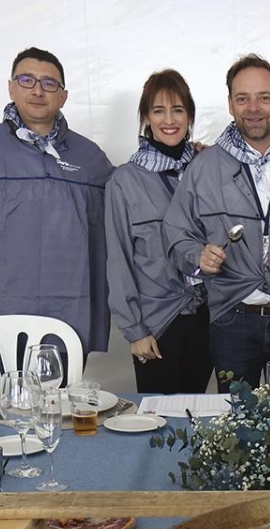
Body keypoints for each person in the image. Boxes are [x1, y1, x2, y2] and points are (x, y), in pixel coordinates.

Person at [0, 47, 113, 360]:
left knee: (60, 405)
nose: (38, 90)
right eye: (27, 80)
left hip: (68, 315)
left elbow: (130, 201)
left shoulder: (90, 159)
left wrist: (187, 160)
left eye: (49, 83)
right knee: (1, 404)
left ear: (63, 96)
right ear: (11, 87)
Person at [163, 54, 270, 390]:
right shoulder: (204, 166)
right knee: (235, 423)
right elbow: (175, 231)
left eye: (264, 97)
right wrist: (196, 256)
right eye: (243, 98)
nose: (254, 108)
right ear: (230, 105)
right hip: (232, 319)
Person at [105, 69, 213, 393]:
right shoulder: (124, 181)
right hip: (157, 324)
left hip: (207, 319)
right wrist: (135, 331)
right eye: (158, 110)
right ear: (146, 118)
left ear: (189, 116)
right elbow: (118, 261)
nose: (169, 119)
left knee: (197, 418)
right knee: (157, 426)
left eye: (178, 110)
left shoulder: (205, 169)